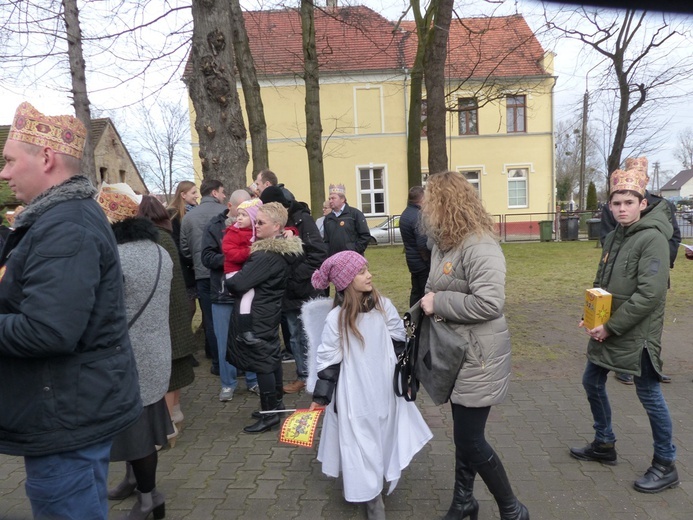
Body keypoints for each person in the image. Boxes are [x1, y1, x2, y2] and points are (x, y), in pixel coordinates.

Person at [0, 101, 141, 519]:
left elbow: (47, 330)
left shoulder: (65, 226)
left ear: (45, 158)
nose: (4, 173)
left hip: (63, 415)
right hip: (67, 406)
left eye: (8, 161)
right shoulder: (58, 219)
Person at [420, 171, 528, 520]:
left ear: (445, 203)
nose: (423, 207)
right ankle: (463, 502)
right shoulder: (444, 243)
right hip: (456, 352)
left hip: (479, 357)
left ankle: (512, 509)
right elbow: (434, 286)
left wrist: (438, 303)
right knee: (465, 436)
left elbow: (490, 303)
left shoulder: (480, 244)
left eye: (429, 199)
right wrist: (429, 301)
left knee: (470, 440)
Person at [570, 164, 679, 494]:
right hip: (608, 328)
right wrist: (592, 317)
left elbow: (650, 294)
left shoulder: (653, 239)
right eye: (616, 203)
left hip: (637, 336)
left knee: (649, 394)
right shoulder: (616, 236)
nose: (621, 209)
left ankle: (665, 464)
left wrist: (610, 326)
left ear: (642, 203)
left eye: (628, 203)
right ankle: (604, 444)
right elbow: (603, 281)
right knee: (592, 380)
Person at [307, 251, 432, 520]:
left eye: (367, 269)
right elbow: (329, 362)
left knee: (383, 435)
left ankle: (379, 479)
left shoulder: (382, 306)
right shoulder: (336, 320)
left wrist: (407, 377)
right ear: (346, 281)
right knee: (360, 441)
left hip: (385, 388)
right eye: (361, 272)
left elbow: (399, 342)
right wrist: (321, 398)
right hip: (355, 392)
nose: (369, 275)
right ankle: (372, 498)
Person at [102, 193, 174, 520]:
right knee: (141, 424)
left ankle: (149, 497)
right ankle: (133, 480)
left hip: (127, 354)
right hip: (157, 349)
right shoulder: (161, 251)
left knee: (137, 432)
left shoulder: (113, 256)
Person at [600, 157, 679, 385]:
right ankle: (623, 367)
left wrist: (664, 260)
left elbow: (671, 236)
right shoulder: (616, 203)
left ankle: (650, 363)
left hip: (651, 268)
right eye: (618, 204)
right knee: (620, 316)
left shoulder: (661, 205)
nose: (622, 208)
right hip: (619, 270)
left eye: (640, 172)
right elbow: (608, 236)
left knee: (648, 324)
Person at [225, 202, 304, 433]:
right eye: (256, 221)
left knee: (263, 363)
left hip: (259, 314)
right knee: (269, 360)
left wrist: (229, 281)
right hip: (266, 311)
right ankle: (275, 407)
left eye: (261, 222)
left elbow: (239, 283)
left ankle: (270, 415)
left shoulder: (266, 255)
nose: (255, 226)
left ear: (277, 226)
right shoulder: (276, 251)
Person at [260, 186, 327, 394]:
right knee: (295, 336)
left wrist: (295, 276)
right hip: (288, 292)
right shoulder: (280, 223)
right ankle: (305, 375)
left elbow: (318, 254)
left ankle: (310, 376)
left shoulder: (301, 220)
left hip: (302, 290)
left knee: (304, 335)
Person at [138, 196, 196, 432]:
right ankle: (174, 413)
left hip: (166, 311)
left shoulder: (155, 239)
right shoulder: (165, 235)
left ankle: (167, 424)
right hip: (176, 308)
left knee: (168, 370)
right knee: (175, 366)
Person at [201, 190, 259, 402]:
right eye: (241, 208)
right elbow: (206, 257)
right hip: (222, 293)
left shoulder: (255, 225)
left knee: (249, 336)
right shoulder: (214, 227)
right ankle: (228, 384)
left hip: (249, 292)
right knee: (224, 340)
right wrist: (232, 258)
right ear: (231, 207)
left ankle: (253, 380)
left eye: (248, 208)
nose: (244, 213)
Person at [180, 179, 227, 375]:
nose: (224, 195)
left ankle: (217, 363)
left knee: (209, 318)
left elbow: (184, 248)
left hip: (201, 273)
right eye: (223, 192)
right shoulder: (225, 213)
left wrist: (199, 259)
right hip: (224, 272)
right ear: (215, 193)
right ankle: (232, 363)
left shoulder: (188, 217)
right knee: (228, 317)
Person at [223, 198, 264, 344]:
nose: (239, 218)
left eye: (244, 215)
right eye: (238, 214)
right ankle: (244, 329)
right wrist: (249, 252)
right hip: (234, 270)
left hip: (246, 270)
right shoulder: (233, 233)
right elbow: (230, 252)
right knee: (249, 293)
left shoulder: (255, 233)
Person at [167, 181, 199, 319]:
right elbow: (175, 242)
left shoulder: (196, 211)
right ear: (183, 195)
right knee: (188, 308)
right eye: (193, 193)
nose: (197, 196)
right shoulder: (173, 214)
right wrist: (190, 259)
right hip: (183, 267)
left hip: (196, 265)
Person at [399, 186, 430, 307]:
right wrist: (428, 261)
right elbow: (422, 244)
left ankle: (413, 319)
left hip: (412, 261)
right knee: (423, 292)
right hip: (421, 262)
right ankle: (420, 321)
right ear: (422, 199)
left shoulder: (406, 213)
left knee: (416, 291)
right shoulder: (418, 216)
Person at [323, 183, 371, 258]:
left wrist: (354, 251)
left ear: (342, 199)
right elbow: (326, 241)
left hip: (353, 259)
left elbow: (365, 236)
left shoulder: (355, 214)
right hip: (334, 259)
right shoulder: (328, 218)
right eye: (329, 199)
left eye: (333, 198)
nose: (330, 201)